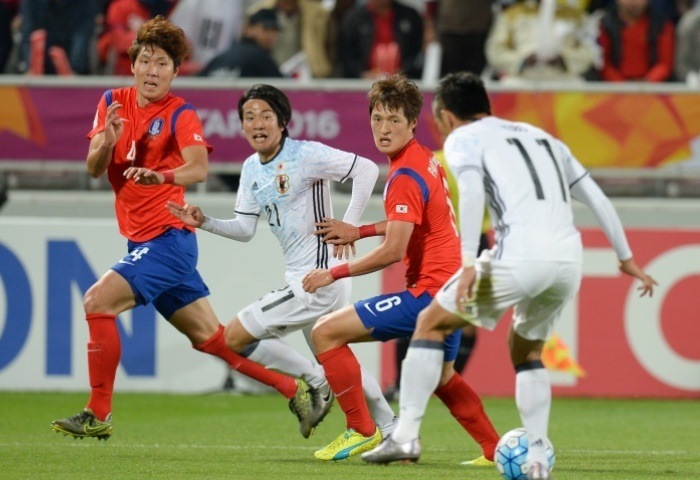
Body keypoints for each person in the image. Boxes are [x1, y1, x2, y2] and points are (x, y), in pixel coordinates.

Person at [361, 72, 658, 479]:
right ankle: (537, 458)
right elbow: (596, 196)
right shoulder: (544, 139)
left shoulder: (464, 139)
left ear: (446, 117)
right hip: (568, 261)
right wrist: (625, 257)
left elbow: (472, 191)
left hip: (519, 254)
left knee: (430, 322)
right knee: (527, 352)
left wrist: (467, 262)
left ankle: (406, 435)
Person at [50, 16, 319, 441]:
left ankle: (97, 412)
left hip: (169, 240)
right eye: (145, 61)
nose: (152, 71)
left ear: (175, 72)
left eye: (162, 64)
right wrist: (107, 140)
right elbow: (94, 168)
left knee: (97, 301)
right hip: (141, 238)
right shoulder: (112, 102)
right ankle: (294, 388)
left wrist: (163, 177)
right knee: (211, 339)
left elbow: (199, 167)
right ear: (133, 65)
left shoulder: (180, 113)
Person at [165, 83, 399, 441]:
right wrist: (204, 222)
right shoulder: (250, 169)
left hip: (319, 278)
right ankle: (391, 427)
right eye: (249, 117)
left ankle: (316, 383)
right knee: (335, 356)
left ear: (283, 121)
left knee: (234, 335)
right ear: (241, 126)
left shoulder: (305, 154)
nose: (257, 123)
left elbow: (366, 169)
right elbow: (244, 228)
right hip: (306, 277)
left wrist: (351, 224)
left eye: (265, 116)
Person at [302, 74, 500, 463]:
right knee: (442, 377)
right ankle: (494, 449)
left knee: (325, 332)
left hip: (430, 293)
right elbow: (409, 221)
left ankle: (360, 430)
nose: (384, 128)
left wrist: (333, 273)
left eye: (394, 120)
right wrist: (357, 230)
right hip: (452, 291)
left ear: (412, 122)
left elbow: (394, 249)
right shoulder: (423, 158)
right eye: (377, 118)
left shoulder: (404, 174)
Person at [336, 0, 424, 79]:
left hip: (404, 83)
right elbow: (346, 55)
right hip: (362, 84)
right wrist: (362, 74)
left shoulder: (410, 16)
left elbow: (418, 52)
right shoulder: (353, 18)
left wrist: (403, 73)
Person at [595, 0, 675, 82]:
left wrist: (646, 84)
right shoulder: (603, 26)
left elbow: (665, 64)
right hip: (612, 88)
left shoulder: (662, 25)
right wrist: (622, 87)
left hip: (653, 88)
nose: (634, 1)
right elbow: (602, 64)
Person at [198, 8, 283, 78]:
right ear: (248, 28)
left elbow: (195, 84)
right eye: (266, 29)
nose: (270, 36)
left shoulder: (222, 56)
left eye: (274, 31)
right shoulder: (261, 59)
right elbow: (285, 87)